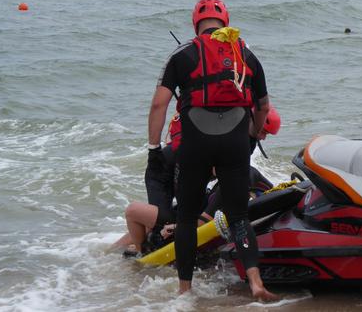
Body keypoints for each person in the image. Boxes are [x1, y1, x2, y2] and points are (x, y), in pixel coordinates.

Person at [147, 0, 277, 300]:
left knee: (187, 219)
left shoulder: (182, 53)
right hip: (234, 144)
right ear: (225, 22)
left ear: (196, 22)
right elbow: (263, 106)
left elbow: (158, 104)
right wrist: (253, 135)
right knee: (239, 216)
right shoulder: (245, 52)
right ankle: (256, 282)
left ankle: (185, 290)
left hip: (195, 146)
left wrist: (154, 148)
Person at [113, 108, 281, 254]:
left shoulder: (246, 144)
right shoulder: (229, 134)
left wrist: (277, 193)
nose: (264, 137)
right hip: (163, 171)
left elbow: (249, 180)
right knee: (159, 225)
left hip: (190, 171)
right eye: (264, 132)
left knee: (172, 217)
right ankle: (127, 250)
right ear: (253, 119)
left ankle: (119, 248)